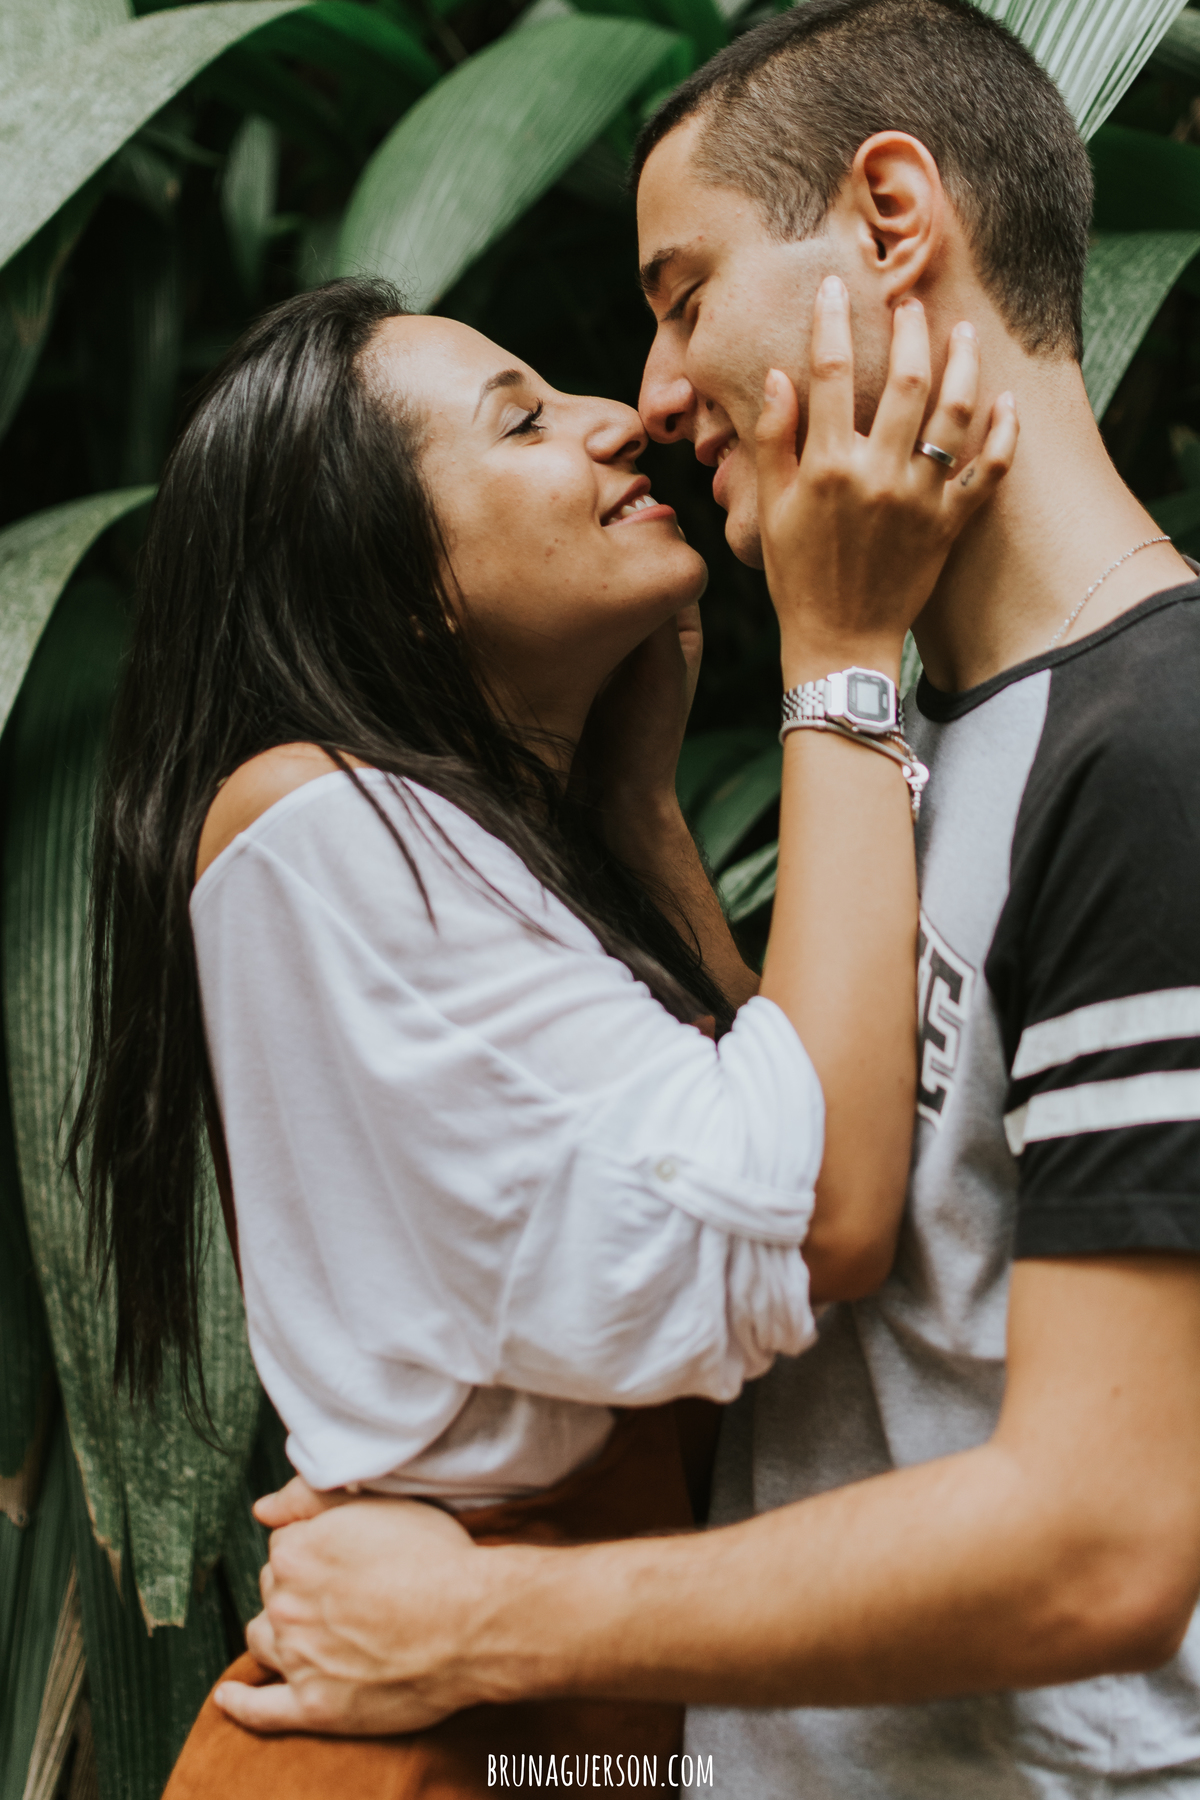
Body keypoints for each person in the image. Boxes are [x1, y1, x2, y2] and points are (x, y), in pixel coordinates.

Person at [221, 1, 1200, 1795]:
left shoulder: (1159, 749)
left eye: (684, 294)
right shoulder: (946, 748)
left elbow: (1106, 1542)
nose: (655, 393)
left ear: (894, 221)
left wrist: (474, 1626)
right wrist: (654, 820)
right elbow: (836, 1234)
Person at [74, 262, 1009, 1794]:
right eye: (521, 421)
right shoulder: (311, 820)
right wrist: (841, 648)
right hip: (436, 1741)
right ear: (393, 578)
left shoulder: (467, 852)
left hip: (547, 1705)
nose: (614, 419)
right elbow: (826, 1209)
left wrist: (639, 810)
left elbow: (771, 1120)